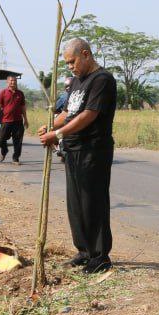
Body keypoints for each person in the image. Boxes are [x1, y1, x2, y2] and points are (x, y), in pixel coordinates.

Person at [38, 39, 117, 273]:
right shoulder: (76, 82)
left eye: (72, 61)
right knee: (76, 204)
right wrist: (50, 126)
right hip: (73, 150)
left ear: (85, 54)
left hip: (93, 149)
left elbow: (88, 115)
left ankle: (100, 256)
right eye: (67, 63)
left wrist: (57, 134)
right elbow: (68, 112)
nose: (70, 67)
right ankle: (84, 251)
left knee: (93, 202)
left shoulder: (102, 80)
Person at [0, 75, 28, 165]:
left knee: (18, 141)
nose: (13, 82)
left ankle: (15, 158)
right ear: (7, 82)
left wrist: (26, 119)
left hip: (18, 121)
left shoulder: (20, 93)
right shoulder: (3, 92)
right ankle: (4, 150)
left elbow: (23, 107)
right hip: (6, 121)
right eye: (11, 80)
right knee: (1, 139)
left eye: (15, 80)